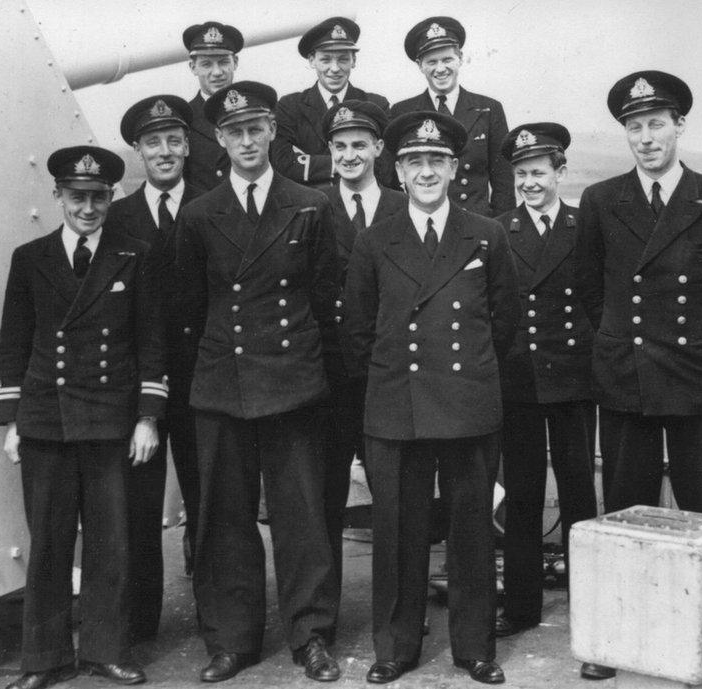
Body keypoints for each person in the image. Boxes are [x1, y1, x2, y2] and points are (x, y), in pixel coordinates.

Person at [575, 73, 702, 682]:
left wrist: (699, 342)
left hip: (699, 377)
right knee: (625, 510)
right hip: (628, 378)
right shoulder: (601, 200)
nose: (646, 138)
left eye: (656, 124)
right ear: (624, 133)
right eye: (634, 127)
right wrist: (621, 344)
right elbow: (588, 290)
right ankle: (620, 638)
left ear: (680, 126)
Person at [173, 81, 342, 683]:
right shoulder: (198, 214)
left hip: (293, 382)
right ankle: (231, 640)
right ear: (219, 140)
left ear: (273, 131)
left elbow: (328, 299)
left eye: (256, 128)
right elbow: (189, 308)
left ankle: (311, 635)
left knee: (302, 516)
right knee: (224, 519)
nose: (247, 140)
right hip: (222, 382)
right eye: (234, 131)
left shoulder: (310, 203)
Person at [345, 111, 520, 685]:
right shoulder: (374, 240)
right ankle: (395, 647)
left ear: (454, 168)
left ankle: (475, 647)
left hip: (468, 401)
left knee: (471, 531)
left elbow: (505, 322)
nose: (427, 172)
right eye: (415, 162)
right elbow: (358, 329)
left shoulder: (486, 234)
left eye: (437, 161)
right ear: (397, 171)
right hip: (398, 404)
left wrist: (471, 374)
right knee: (397, 530)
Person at [0, 146, 166, 689]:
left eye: (98, 197)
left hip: (110, 421)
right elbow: (14, 342)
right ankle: (43, 660)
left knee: (110, 543)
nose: (88, 208)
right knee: (47, 543)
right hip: (47, 419)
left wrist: (148, 417)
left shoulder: (134, 256)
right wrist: (14, 420)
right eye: (77, 197)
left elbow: (151, 343)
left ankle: (105, 651)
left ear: (111, 198)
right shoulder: (31, 258)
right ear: (58, 197)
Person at [493, 123, 614, 681]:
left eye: (539, 172)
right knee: (520, 495)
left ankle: (587, 605)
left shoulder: (581, 226)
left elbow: (599, 297)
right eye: (521, 175)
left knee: (577, 493)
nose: (530, 183)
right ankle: (521, 607)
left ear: (559, 172)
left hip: (573, 380)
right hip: (519, 383)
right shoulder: (500, 229)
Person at [105, 95, 205, 642]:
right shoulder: (118, 217)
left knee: (209, 503)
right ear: (139, 151)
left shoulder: (213, 205)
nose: (164, 152)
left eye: (173, 140)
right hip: (141, 386)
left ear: (187, 146)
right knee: (140, 507)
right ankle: (141, 625)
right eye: (152, 143)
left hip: (202, 381)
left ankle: (218, 620)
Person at [316, 99, 407, 615]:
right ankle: (323, 620)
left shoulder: (402, 205)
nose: (350, 155)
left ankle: (397, 615)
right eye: (340, 146)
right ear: (329, 152)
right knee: (325, 502)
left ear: (378, 148)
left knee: (392, 502)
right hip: (329, 381)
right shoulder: (311, 207)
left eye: (359, 145)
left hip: (386, 378)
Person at [389, 17, 512, 217]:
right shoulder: (402, 112)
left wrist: (498, 229)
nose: (440, 69)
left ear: (460, 59)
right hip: (422, 224)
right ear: (420, 65)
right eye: (432, 62)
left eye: (447, 60)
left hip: (476, 224)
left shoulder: (489, 109)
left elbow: (504, 182)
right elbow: (393, 180)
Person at [273, 17, 391, 187]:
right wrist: (353, 163)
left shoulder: (376, 105)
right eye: (326, 59)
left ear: (354, 61)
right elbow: (283, 164)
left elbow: (383, 167)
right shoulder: (290, 106)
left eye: (343, 59)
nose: (334, 68)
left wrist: (311, 162)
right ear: (312, 60)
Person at [182, 21, 243, 190]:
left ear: (235, 62)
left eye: (223, 62)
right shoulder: (184, 119)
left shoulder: (260, 111)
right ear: (193, 67)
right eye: (207, 64)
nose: (217, 72)